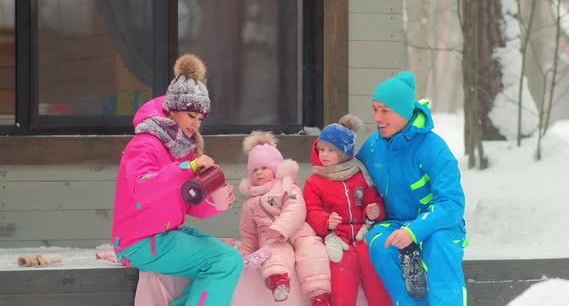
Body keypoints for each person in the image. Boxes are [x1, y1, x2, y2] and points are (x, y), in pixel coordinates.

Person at [111, 54, 243, 306]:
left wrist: (217, 200)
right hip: (140, 242)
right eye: (191, 116)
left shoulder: (181, 150)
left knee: (229, 257)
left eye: (200, 119)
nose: (196, 124)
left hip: (165, 235)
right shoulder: (145, 145)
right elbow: (142, 188)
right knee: (224, 261)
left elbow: (190, 204)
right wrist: (189, 167)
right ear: (172, 109)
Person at [356, 71, 468, 306]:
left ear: (404, 112)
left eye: (384, 110)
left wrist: (415, 231)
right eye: (374, 109)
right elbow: (353, 178)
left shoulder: (433, 148)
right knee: (379, 242)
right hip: (397, 223)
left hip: (438, 224)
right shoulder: (374, 147)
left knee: (438, 246)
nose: (377, 117)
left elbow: (452, 204)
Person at [304, 114, 393, 306]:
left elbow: (374, 200)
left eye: (331, 150)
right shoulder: (315, 182)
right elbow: (312, 211)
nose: (324, 154)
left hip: (364, 234)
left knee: (374, 268)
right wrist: (327, 221)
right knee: (342, 272)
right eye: (321, 149)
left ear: (345, 153)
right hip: (338, 237)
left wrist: (374, 211)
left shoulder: (359, 175)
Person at [239, 131, 331, 306]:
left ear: (275, 169)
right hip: (271, 237)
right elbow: (248, 232)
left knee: (312, 251)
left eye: (264, 168)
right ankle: (279, 281)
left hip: (298, 231)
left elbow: (295, 208)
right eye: (255, 170)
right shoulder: (250, 203)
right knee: (274, 253)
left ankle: (319, 295)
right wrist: (246, 252)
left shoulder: (286, 186)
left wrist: (282, 226)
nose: (259, 173)